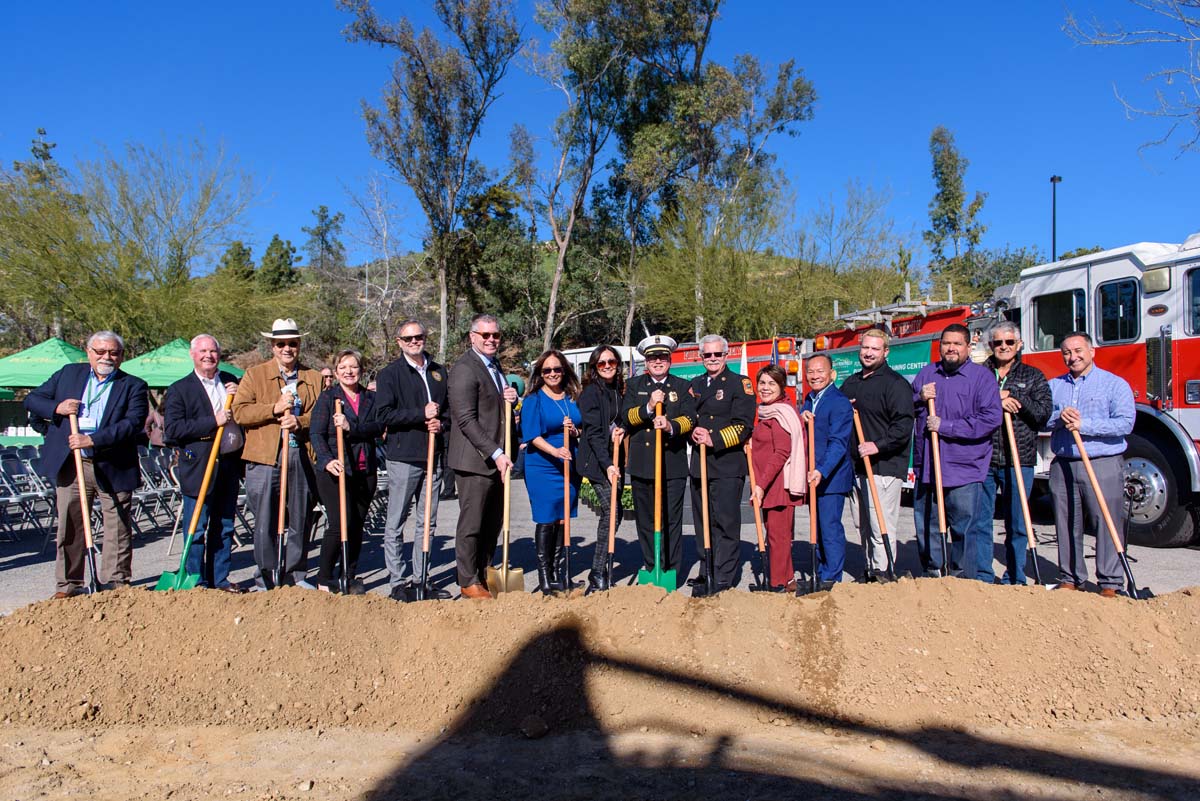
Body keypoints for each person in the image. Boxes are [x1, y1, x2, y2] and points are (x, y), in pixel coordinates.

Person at [25, 331, 149, 597]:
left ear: (122, 356)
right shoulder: (68, 374)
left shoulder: (134, 385)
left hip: (113, 463)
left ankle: (115, 583)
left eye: (113, 353)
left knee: (117, 525)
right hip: (73, 465)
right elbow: (33, 399)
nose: (107, 357)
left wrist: (92, 439)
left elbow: (132, 424)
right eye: (100, 351)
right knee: (70, 524)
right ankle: (68, 585)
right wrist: (57, 408)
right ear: (88, 352)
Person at [232, 318, 322, 590]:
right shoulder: (254, 375)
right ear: (272, 346)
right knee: (265, 522)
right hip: (264, 459)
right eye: (281, 343)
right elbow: (240, 412)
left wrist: (301, 422)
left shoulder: (314, 378)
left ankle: (295, 575)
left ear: (299, 345)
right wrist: (274, 408)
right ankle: (265, 577)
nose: (287, 348)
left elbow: (320, 416)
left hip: (301, 456)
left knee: (300, 519)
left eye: (292, 343)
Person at [1045, 332, 1135, 597]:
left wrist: (1086, 425)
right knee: (1066, 522)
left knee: (1106, 523)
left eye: (1077, 350)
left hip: (1102, 461)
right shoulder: (1054, 386)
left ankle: (1110, 582)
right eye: (1066, 352)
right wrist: (1059, 418)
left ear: (1092, 351)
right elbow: (1040, 419)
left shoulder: (1114, 384)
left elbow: (1125, 423)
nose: (1072, 357)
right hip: (1064, 463)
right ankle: (1070, 577)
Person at [912, 323, 1003, 579]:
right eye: (946, 343)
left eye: (957, 344)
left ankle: (963, 580)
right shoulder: (927, 374)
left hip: (964, 467)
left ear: (968, 347)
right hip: (929, 466)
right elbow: (906, 408)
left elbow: (990, 419)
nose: (950, 348)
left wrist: (947, 426)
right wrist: (919, 396)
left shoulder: (982, 378)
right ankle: (932, 574)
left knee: (964, 529)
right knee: (927, 526)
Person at [370, 320, 451, 601]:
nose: (415, 341)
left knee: (427, 522)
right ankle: (397, 581)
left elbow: (449, 411)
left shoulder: (439, 372)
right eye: (409, 338)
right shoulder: (389, 375)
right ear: (399, 342)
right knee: (396, 521)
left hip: (433, 456)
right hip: (403, 457)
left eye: (419, 337)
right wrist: (421, 414)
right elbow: (384, 415)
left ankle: (422, 579)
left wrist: (440, 423)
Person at [162, 334, 245, 592]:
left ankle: (219, 579)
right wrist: (213, 421)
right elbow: (173, 431)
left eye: (213, 351)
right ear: (193, 355)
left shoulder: (231, 381)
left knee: (224, 526)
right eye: (203, 351)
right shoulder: (180, 389)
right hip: (199, 466)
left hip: (229, 464)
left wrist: (238, 395)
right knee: (196, 528)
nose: (208, 355)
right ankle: (196, 581)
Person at [447, 313, 519, 599]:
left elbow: (494, 408)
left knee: (493, 521)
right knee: (473, 522)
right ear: (472, 336)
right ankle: (467, 580)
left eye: (496, 335)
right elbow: (465, 419)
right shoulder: (465, 369)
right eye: (485, 335)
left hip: (497, 460)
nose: (491, 340)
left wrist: (510, 399)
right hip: (475, 461)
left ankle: (484, 571)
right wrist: (496, 452)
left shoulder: (494, 366)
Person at [841, 328, 914, 582]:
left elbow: (903, 426)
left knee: (880, 524)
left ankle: (883, 572)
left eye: (874, 348)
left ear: (886, 352)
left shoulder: (895, 384)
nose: (868, 353)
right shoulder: (851, 383)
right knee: (862, 525)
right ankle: (870, 568)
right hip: (856, 468)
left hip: (883, 467)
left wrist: (877, 445)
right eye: (865, 348)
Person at [983, 321, 1051, 585]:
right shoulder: (979, 374)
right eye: (998, 343)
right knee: (981, 522)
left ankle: (1015, 577)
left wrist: (1017, 400)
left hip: (1018, 458)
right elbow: (968, 406)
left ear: (1018, 345)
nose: (1003, 347)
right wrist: (995, 399)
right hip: (984, 458)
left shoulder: (1033, 376)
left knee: (1017, 523)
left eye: (1009, 342)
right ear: (991, 346)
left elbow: (1043, 415)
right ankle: (983, 575)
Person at [621, 335, 694, 580]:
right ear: (646, 360)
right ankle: (652, 565)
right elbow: (627, 418)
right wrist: (649, 408)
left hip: (671, 464)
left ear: (670, 360)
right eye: (653, 357)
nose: (658, 361)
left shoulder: (682, 387)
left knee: (672, 519)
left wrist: (671, 425)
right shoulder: (633, 385)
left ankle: (671, 567)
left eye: (662, 357)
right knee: (646, 518)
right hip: (643, 465)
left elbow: (690, 419)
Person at [688, 335, 755, 595]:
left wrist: (713, 438)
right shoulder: (695, 385)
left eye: (717, 355)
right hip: (700, 463)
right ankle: (707, 571)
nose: (712, 359)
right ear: (701, 357)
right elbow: (688, 416)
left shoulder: (740, 384)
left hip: (726, 464)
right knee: (703, 521)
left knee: (725, 522)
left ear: (727, 356)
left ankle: (724, 576)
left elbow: (743, 425)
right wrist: (692, 431)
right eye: (708, 355)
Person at [311, 349, 381, 594]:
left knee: (357, 524)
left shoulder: (371, 398)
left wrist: (352, 427)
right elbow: (316, 433)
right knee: (340, 523)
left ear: (361, 370)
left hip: (365, 470)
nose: (348, 372)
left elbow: (377, 427)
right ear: (336, 371)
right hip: (336, 470)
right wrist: (327, 459)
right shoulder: (329, 397)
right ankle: (324, 577)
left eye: (353, 367)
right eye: (343, 367)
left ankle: (348, 575)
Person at [521, 349, 583, 594]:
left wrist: (575, 432)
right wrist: (555, 451)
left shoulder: (572, 397)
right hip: (543, 465)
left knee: (562, 518)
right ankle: (545, 577)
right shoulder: (533, 399)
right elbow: (532, 435)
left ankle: (558, 574)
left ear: (565, 370)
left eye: (557, 369)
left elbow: (581, 426)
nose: (553, 374)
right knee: (546, 518)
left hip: (569, 463)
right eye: (547, 370)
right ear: (540, 373)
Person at [800, 354, 854, 588]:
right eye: (810, 372)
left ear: (831, 374)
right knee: (818, 526)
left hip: (830, 477)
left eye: (820, 371)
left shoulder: (839, 402)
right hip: (814, 475)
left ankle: (832, 576)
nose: (815, 376)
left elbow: (838, 443)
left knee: (829, 527)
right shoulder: (810, 399)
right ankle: (822, 571)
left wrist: (822, 470)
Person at [749, 364, 805, 592]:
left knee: (778, 537)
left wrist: (761, 486)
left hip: (777, 485)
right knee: (776, 534)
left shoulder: (781, 414)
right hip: (768, 483)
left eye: (772, 383)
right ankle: (788, 580)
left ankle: (777, 584)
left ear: (782, 387)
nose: (765, 388)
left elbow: (782, 452)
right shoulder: (767, 412)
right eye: (762, 383)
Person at [577, 346, 626, 592]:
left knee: (614, 513)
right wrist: (607, 465)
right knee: (612, 511)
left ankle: (602, 568)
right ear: (594, 367)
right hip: (597, 462)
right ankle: (597, 573)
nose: (607, 366)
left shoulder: (617, 390)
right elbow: (595, 434)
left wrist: (621, 428)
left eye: (611, 362)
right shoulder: (590, 394)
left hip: (614, 458)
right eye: (601, 363)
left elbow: (621, 418)